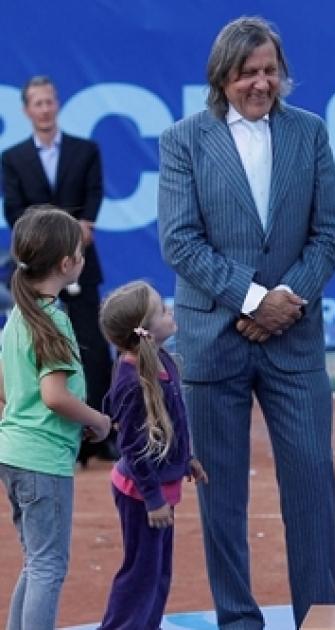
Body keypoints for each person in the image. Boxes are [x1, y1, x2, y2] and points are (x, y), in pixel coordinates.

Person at [156, 16, 335, 630]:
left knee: (313, 488)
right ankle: (239, 621)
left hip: (293, 339)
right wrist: (252, 299)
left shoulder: (309, 132)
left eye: (270, 71)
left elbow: (328, 235)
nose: (262, 83)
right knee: (221, 499)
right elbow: (180, 243)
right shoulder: (184, 139)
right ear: (223, 77)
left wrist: (283, 299)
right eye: (248, 73)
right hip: (214, 342)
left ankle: (318, 618)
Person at [0, 206, 112, 630]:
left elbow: (7, 388)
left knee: (37, 561)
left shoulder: (18, 318)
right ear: (67, 264)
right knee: (48, 565)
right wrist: (97, 421)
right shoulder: (53, 321)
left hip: (14, 452)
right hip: (41, 460)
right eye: (79, 252)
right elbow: (54, 396)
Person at [1, 75, 117, 466]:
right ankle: (45, 429)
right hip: (38, 268)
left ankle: (96, 438)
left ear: (58, 104)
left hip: (81, 264)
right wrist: (56, 239)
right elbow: (14, 211)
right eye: (37, 103)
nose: (45, 109)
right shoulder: (13, 158)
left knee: (94, 347)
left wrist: (81, 232)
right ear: (26, 110)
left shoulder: (86, 151)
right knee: (36, 348)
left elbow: (94, 196)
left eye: (50, 101)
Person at [96, 280, 209, 630]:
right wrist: (153, 498)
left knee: (159, 571)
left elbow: (174, 420)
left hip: (160, 487)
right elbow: (132, 446)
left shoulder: (161, 360)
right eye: (161, 310)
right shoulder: (132, 381)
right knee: (141, 574)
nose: (170, 310)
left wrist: (185, 457)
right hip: (142, 493)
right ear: (142, 329)